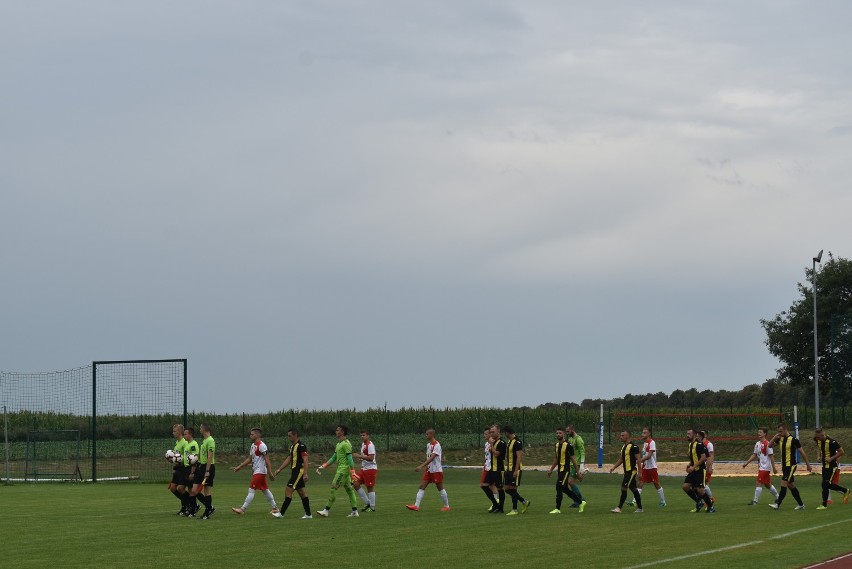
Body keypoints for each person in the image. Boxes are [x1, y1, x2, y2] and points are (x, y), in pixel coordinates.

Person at [231, 427, 279, 516]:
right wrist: (239, 467)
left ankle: (243, 509)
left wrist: (270, 472)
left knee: (251, 489)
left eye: (252, 434)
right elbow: (249, 459)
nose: (250, 436)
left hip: (260, 472)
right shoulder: (253, 446)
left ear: (258, 435)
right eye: (250, 434)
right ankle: (275, 508)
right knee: (265, 490)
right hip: (256, 471)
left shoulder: (262, 446)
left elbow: (267, 460)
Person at [316, 424, 360, 518]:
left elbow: (350, 459)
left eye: (338, 430)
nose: (336, 431)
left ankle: (326, 510)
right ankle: (355, 512)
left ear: (342, 432)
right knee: (349, 490)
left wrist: (353, 471)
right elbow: (334, 457)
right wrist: (324, 465)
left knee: (333, 488)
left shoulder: (346, 444)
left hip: (343, 471)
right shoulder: (339, 444)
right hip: (342, 470)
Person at [768, 422, 811, 510]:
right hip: (784, 466)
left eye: (781, 431)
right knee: (790, 485)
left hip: (791, 465)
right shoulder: (779, 438)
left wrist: (808, 464)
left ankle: (777, 504)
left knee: (784, 482)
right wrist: (775, 437)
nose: (780, 433)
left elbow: (802, 452)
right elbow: (769, 445)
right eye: (778, 431)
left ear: (785, 429)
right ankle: (801, 504)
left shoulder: (794, 440)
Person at [406, 428, 450, 511]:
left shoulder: (437, 445)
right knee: (422, 486)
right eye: (426, 434)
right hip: (429, 470)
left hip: (436, 470)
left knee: (440, 487)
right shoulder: (428, 445)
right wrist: (426, 467)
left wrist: (421, 466)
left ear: (432, 435)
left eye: (427, 434)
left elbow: (432, 458)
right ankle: (416, 506)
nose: (426, 435)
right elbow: (428, 457)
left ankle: (447, 506)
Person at [273, 428, 313, 519]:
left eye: (290, 436)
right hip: (294, 471)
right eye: (288, 436)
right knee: (302, 492)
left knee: (288, 490)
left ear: (295, 435)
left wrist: (305, 473)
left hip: (299, 472)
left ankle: (281, 514)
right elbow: (289, 458)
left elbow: (305, 459)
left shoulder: (301, 446)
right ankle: (308, 514)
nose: (288, 437)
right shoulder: (292, 447)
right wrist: (280, 469)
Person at [546, 428, 585, 514]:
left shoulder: (568, 445)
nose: (558, 435)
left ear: (563, 434)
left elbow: (574, 460)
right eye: (557, 433)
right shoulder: (556, 445)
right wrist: (551, 470)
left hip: (566, 470)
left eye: (560, 433)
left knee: (558, 486)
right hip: (560, 470)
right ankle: (580, 502)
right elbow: (556, 459)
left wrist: (578, 472)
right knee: (565, 489)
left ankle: (557, 508)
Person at [814, 428, 850, 509]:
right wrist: (819, 456)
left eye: (818, 437)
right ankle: (845, 491)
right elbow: (819, 448)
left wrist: (831, 458)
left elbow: (841, 451)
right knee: (827, 484)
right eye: (816, 437)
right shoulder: (818, 440)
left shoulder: (832, 442)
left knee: (825, 484)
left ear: (823, 435)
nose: (817, 439)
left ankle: (824, 505)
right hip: (824, 466)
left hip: (832, 466)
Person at [742, 427, 778, 505]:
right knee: (767, 485)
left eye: (761, 432)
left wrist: (774, 468)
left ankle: (755, 501)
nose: (759, 433)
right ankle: (778, 497)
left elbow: (771, 456)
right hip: (761, 467)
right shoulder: (757, 444)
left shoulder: (768, 444)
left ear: (765, 434)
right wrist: (746, 463)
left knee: (758, 482)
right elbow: (754, 455)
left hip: (765, 468)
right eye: (758, 432)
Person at [609, 430, 643, 513]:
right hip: (626, 472)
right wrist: (614, 467)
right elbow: (621, 459)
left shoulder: (634, 447)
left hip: (631, 471)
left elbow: (638, 459)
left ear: (627, 436)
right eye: (621, 435)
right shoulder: (624, 447)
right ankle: (640, 508)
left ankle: (619, 508)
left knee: (623, 487)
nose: (621, 437)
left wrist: (640, 472)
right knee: (634, 489)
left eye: (622, 435)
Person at [682, 428, 715, 514]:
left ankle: (710, 507)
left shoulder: (699, 444)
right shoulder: (690, 445)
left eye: (689, 434)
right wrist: (689, 464)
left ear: (694, 435)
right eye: (687, 434)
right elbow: (694, 457)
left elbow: (704, 457)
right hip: (693, 469)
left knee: (700, 490)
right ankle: (699, 502)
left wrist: (693, 467)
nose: (687, 435)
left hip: (700, 470)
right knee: (685, 487)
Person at [189, 423, 216, 519]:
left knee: (206, 490)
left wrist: (207, 470)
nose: (199, 430)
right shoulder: (204, 441)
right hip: (201, 467)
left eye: (200, 428)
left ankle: (207, 511)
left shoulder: (210, 441)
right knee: (194, 490)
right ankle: (209, 507)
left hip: (208, 467)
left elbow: (210, 456)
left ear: (204, 429)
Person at [503, 425, 530, 515]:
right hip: (508, 469)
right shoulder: (509, 442)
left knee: (513, 489)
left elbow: (519, 457)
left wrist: (515, 470)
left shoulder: (517, 442)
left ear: (507, 432)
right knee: (506, 489)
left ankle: (514, 509)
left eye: (505, 433)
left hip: (515, 469)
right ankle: (524, 501)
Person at [637, 427, 666, 507]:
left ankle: (663, 501)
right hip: (645, 467)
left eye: (644, 433)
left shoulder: (652, 442)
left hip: (652, 467)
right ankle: (634, 501)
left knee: (656, 483)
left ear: (649, 434)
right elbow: (645, 455)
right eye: (642, 432)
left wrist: (640, 460)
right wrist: (641, 461)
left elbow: (649, 455)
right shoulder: (644, 443)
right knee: (640, 482)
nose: (642, 434)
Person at [352, 429, 377, 512]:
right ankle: (367, 503)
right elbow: (365, 456)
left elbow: (371, 458)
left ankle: (372, 507)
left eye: (364, 435)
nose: (362, 437)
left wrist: (359, 456)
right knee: (355, 484)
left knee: (369, 487)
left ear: (368, 436)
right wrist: (361, 458)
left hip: (370, 469)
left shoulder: (370, 445)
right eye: (361, 435)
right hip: (363, 469)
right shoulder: (363, 444)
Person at [483, 424, 506, 513]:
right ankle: (495, 504)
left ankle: (501, 508)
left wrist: (491, 445)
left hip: (499, 469)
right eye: (491, 432)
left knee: (500, 489)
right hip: (492, 469)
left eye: (493, 432)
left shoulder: (501, 443)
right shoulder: (494, 442)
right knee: (484, 485)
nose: (491, 434)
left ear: (498, 432)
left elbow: (496, 454)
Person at [167, 424, 189, 515]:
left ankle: (187, 506)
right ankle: (188, 503)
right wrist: (172, 460)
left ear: (180, 432)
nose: (173, 433)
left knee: (180, 489)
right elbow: (177, 458)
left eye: (175, 431)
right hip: (178, 468)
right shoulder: (177, 443)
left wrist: (179, 459)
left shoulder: (184, 443)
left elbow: (187, 457)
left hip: (183, 468)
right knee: (172, 488)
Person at [565, 424, 587, 508]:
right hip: (570, 464)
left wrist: (581, 465)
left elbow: (582, 452)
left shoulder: (579, 439)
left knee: (570, 482)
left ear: (572, 430)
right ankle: (578, 500)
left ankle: (579, 500)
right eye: (566, 431)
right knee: (570, 483)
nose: (567, 433)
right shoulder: (570, 439)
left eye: (568, 431)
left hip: (576, 464)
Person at [181, 427, 201, 516]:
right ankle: (191, 509)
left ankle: (193, 510)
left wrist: (192, 472)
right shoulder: (187, 444)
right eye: (184, 434)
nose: (184, 436)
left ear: (191, 434)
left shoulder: (193, 444)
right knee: (189, 490)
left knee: (192, 490)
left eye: (186, 434)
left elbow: (195, 459)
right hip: (186, 468)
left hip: (191, 469)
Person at [479, 427, 500, 511]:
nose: (485, 435)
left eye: (486, 434)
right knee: (490, 485)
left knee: (487, 485)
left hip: (492, 467)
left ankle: (495, 502)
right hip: (486, 466)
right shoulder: (486, 444)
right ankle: (495, 503)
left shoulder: (493, 443)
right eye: (484, 434)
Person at [698, 430, 715, 503]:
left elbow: (711, 456)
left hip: (707, 466)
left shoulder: (709, 444)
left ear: (706, 435)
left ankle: (710, 499)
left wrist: (710, 467)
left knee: (704, 484)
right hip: (701, 466)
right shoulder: (699, 444)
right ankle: (706, 500)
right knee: (701, 484)